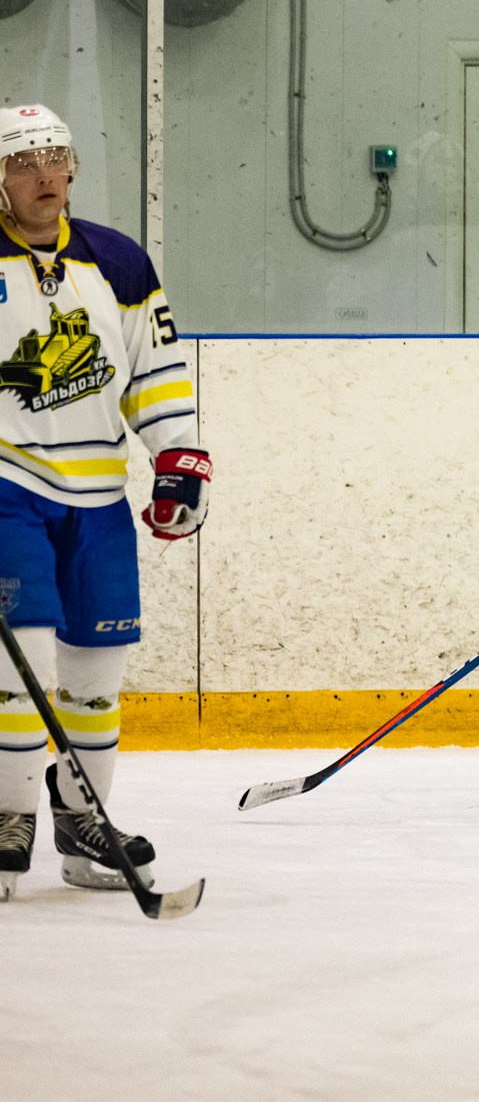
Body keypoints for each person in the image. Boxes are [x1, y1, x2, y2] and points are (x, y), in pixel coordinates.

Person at [0, 104, 207, 899]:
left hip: (98, 496)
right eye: (25, 162)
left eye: (56, 156)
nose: (46, 174)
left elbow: (155, 370)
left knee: (96, 671)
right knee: (15, 656)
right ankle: (9, 812)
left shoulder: (117, 261)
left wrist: (179, 460)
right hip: (9, 487)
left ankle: (83, 819)